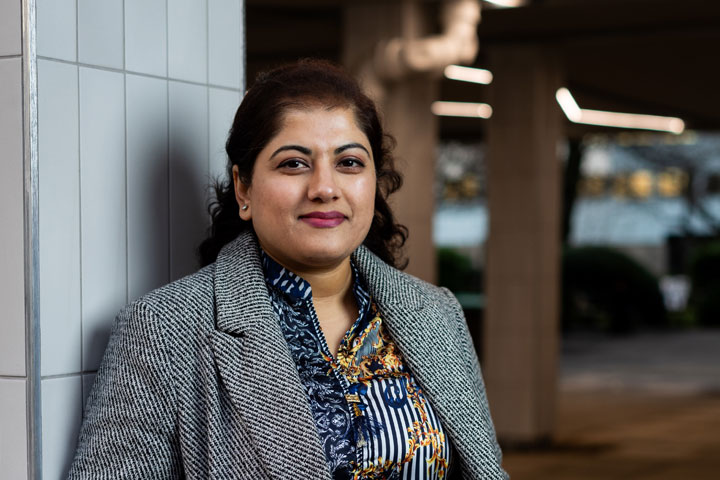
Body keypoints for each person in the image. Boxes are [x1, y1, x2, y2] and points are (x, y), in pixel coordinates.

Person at [69, 59, 507, 480]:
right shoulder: (164, 329)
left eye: (349, 162)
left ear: (374, 182)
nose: (324, 187)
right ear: (243, 187)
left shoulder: (436, 314)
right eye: (294, 163)